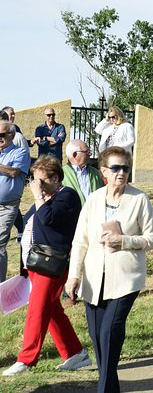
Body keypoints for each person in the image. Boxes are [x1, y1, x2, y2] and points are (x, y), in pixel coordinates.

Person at [66, 146, 153, 393]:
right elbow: (80, 240)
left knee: (109, 331)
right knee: (98, 338)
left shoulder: (139, 199)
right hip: (94, 280)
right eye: (116, 168)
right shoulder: (94, 199)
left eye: (125, 168)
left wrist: (125, 241)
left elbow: (151, 239)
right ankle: (111, 385)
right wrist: (74, 275)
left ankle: (104, 389)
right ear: (104, 170)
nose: (121, 173)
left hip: (126, 279)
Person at [2, 157, 90, 377]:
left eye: (41, 180)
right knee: (51, 311)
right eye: (34, 179)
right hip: (36, 263)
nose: (36, 184)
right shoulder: (47, 197)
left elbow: (48, 219)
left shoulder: (67, 196)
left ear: (55, 178)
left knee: (37, 311)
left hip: (52, 264)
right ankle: (75, 353)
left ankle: (26, 360)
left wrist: (39, 196)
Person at [0, 119, 30, 283]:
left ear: (11, 135)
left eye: (2, 135)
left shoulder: (20, 152)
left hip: (7, 207)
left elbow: (13, 172)